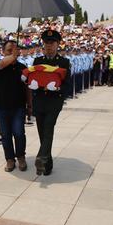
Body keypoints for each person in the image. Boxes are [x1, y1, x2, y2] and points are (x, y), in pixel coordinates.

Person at [31, 29, 70, 176]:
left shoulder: (63, 62)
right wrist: (31, 83)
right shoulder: (38, 61)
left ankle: (41, 157)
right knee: (42, 131)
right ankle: (47, 163)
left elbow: (67, 84)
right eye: (46, 43)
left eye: (52, 43)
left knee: (48, 127)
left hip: (54, 101)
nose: (49, 46)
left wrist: (58, 87)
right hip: (40, 100)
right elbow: (32, 78)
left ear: (58, 44)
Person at [0, 39, 30, 172]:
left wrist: (30, 105)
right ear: (3, 52)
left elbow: (28, 88)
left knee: (19, 133)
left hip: (18, 107)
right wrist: (12, 55)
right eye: (8, 50)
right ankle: (9, 159)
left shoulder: (23, 68)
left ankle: (21, 156)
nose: (12, 53)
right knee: (6, 135)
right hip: (2, 107)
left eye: (14, 50)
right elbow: (4, 63)